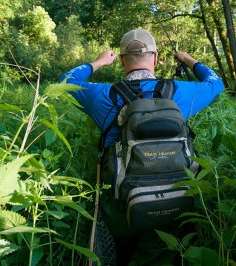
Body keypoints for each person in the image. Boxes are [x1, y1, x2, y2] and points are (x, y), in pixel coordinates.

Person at [59, 29, 224, 265]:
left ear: (123, 60)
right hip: (174, 203)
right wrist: (187, 59)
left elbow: (66, 82)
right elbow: (216, 83)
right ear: (155, 58)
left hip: (121, 207)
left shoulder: (104, 95)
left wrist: (99, 62)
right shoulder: (179, 92)